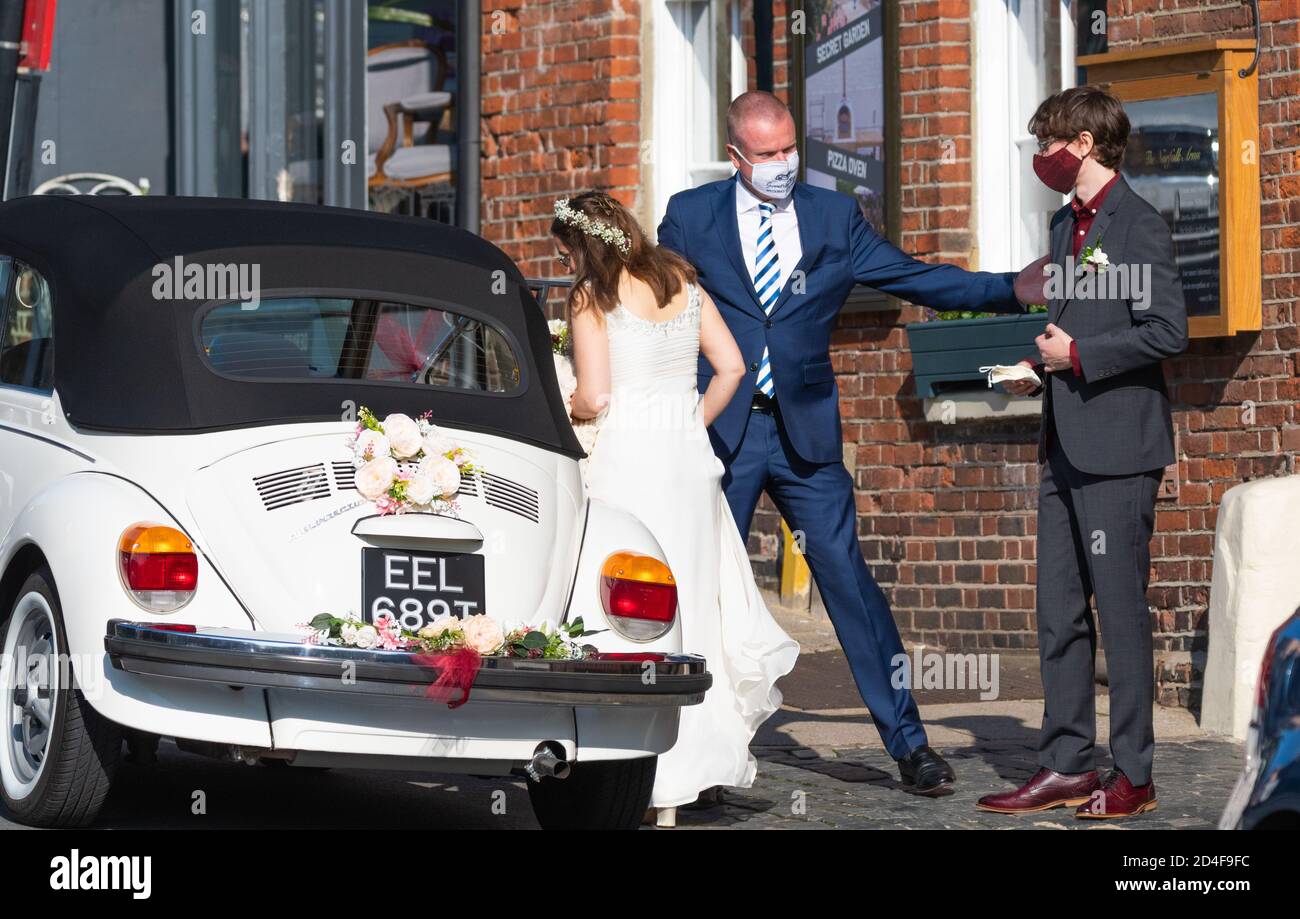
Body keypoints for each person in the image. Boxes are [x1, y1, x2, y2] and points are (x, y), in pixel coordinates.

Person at [657, 91, 1046, 795]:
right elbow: (659, 309)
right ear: (737, 156)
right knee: (706, 587)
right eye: (767, 155)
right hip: (722, 431)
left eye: (788, 150)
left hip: (804, 432)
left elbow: (912, 274)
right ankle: (696, 754)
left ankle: (910, 745)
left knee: (851, 584)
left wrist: (1009, 289)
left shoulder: (833, 216)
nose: (782, 164)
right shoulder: (691, 216)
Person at [553, 191, 800, 828]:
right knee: (696, 605)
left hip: (628, 463)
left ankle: (646, 773)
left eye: (566, 250)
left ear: (583, 246)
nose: (566, 262)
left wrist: (563, 395)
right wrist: (691, 423)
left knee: (631, 612)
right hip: (689, 464)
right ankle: (691, 776)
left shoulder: (590, 297)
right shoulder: (683, 282)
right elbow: (733, 368)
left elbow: (596, 396)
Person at [979, 85, 1188, 820]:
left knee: (1122, 615)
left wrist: (1080, 354)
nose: (1040, 157)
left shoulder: (1140, 225)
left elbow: (1168, 330)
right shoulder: (1066, 227)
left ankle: (1133, 772)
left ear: (1085, 144)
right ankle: (1066, 761)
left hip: (1120, 450)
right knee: (1057, 612)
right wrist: (1034, 366)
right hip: (1062, 443)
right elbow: (1068, 328)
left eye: (1048, 144)